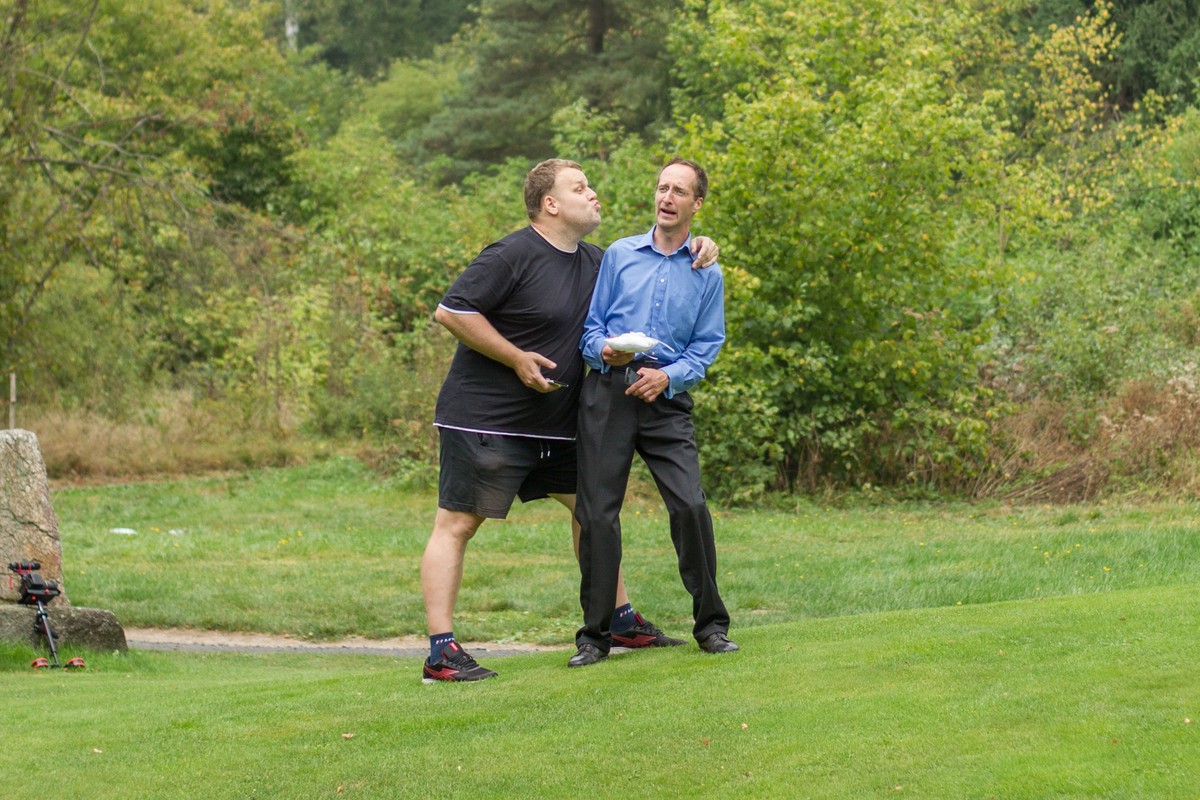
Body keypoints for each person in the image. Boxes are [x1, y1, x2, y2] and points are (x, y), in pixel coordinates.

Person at [421, 158, 719, 683]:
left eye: (590, 185)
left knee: (590, 511)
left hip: (555, 421)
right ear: (551, 204)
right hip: (488, 417)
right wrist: (515, 357)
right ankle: (440, 652)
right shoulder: (512, 254)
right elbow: (452, 311)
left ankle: (619, 619)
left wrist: (702, 244)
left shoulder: (597, 260)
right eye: (580, 187)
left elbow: (655, 267)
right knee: (459, 523)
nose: (594, 193)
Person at [569, 157, 737, 669]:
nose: (667, 197)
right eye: (663, 187)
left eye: (679, 191)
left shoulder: (707, 271)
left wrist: (669, 377)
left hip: (666, 400)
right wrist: (605, 351)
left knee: (689, 506)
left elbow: (706, 346)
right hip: (609, 392)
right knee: (598, 514)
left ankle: (711, 627)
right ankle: (595, 638)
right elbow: (591, 329)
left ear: (696, 204)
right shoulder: (620, 255)